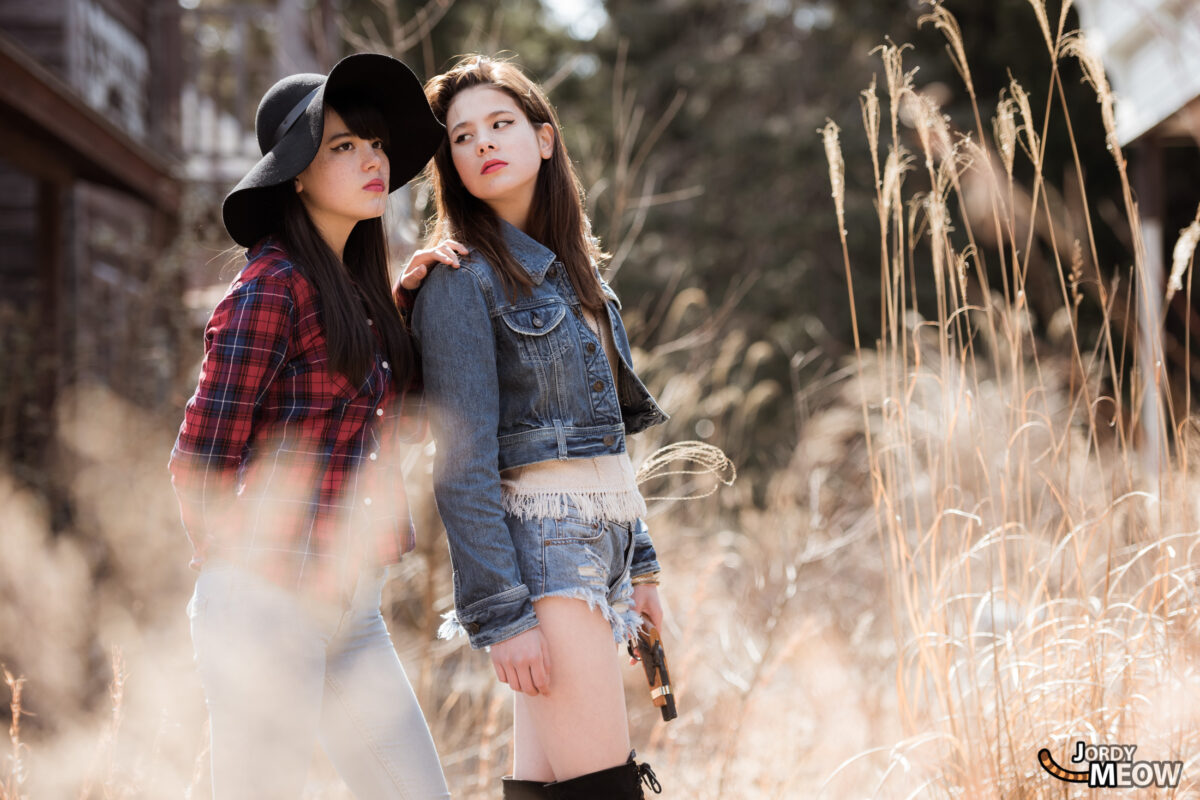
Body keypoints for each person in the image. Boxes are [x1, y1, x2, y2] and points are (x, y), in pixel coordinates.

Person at [168, 53, 466, 799]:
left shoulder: (358, 296)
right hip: (268, 608)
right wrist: (253, 584)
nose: (372, 160)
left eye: (376, 144)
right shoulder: (269, 288)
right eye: (343, 145)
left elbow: (393, 418)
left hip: (351, 609)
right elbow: (198, 460)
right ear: (296, 174)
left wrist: (408, 304)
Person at [410, 55, 668, 799]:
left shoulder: (583, 279)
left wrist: (643, 568)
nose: (482, 143)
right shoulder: (459, 280)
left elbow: (608, 444)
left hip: (604, 544)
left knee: (548, 785)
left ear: (544, 138)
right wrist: (502, 616)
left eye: (501, 123)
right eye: (462, 137)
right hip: (547, 552)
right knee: (604, 788)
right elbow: (461, 465)